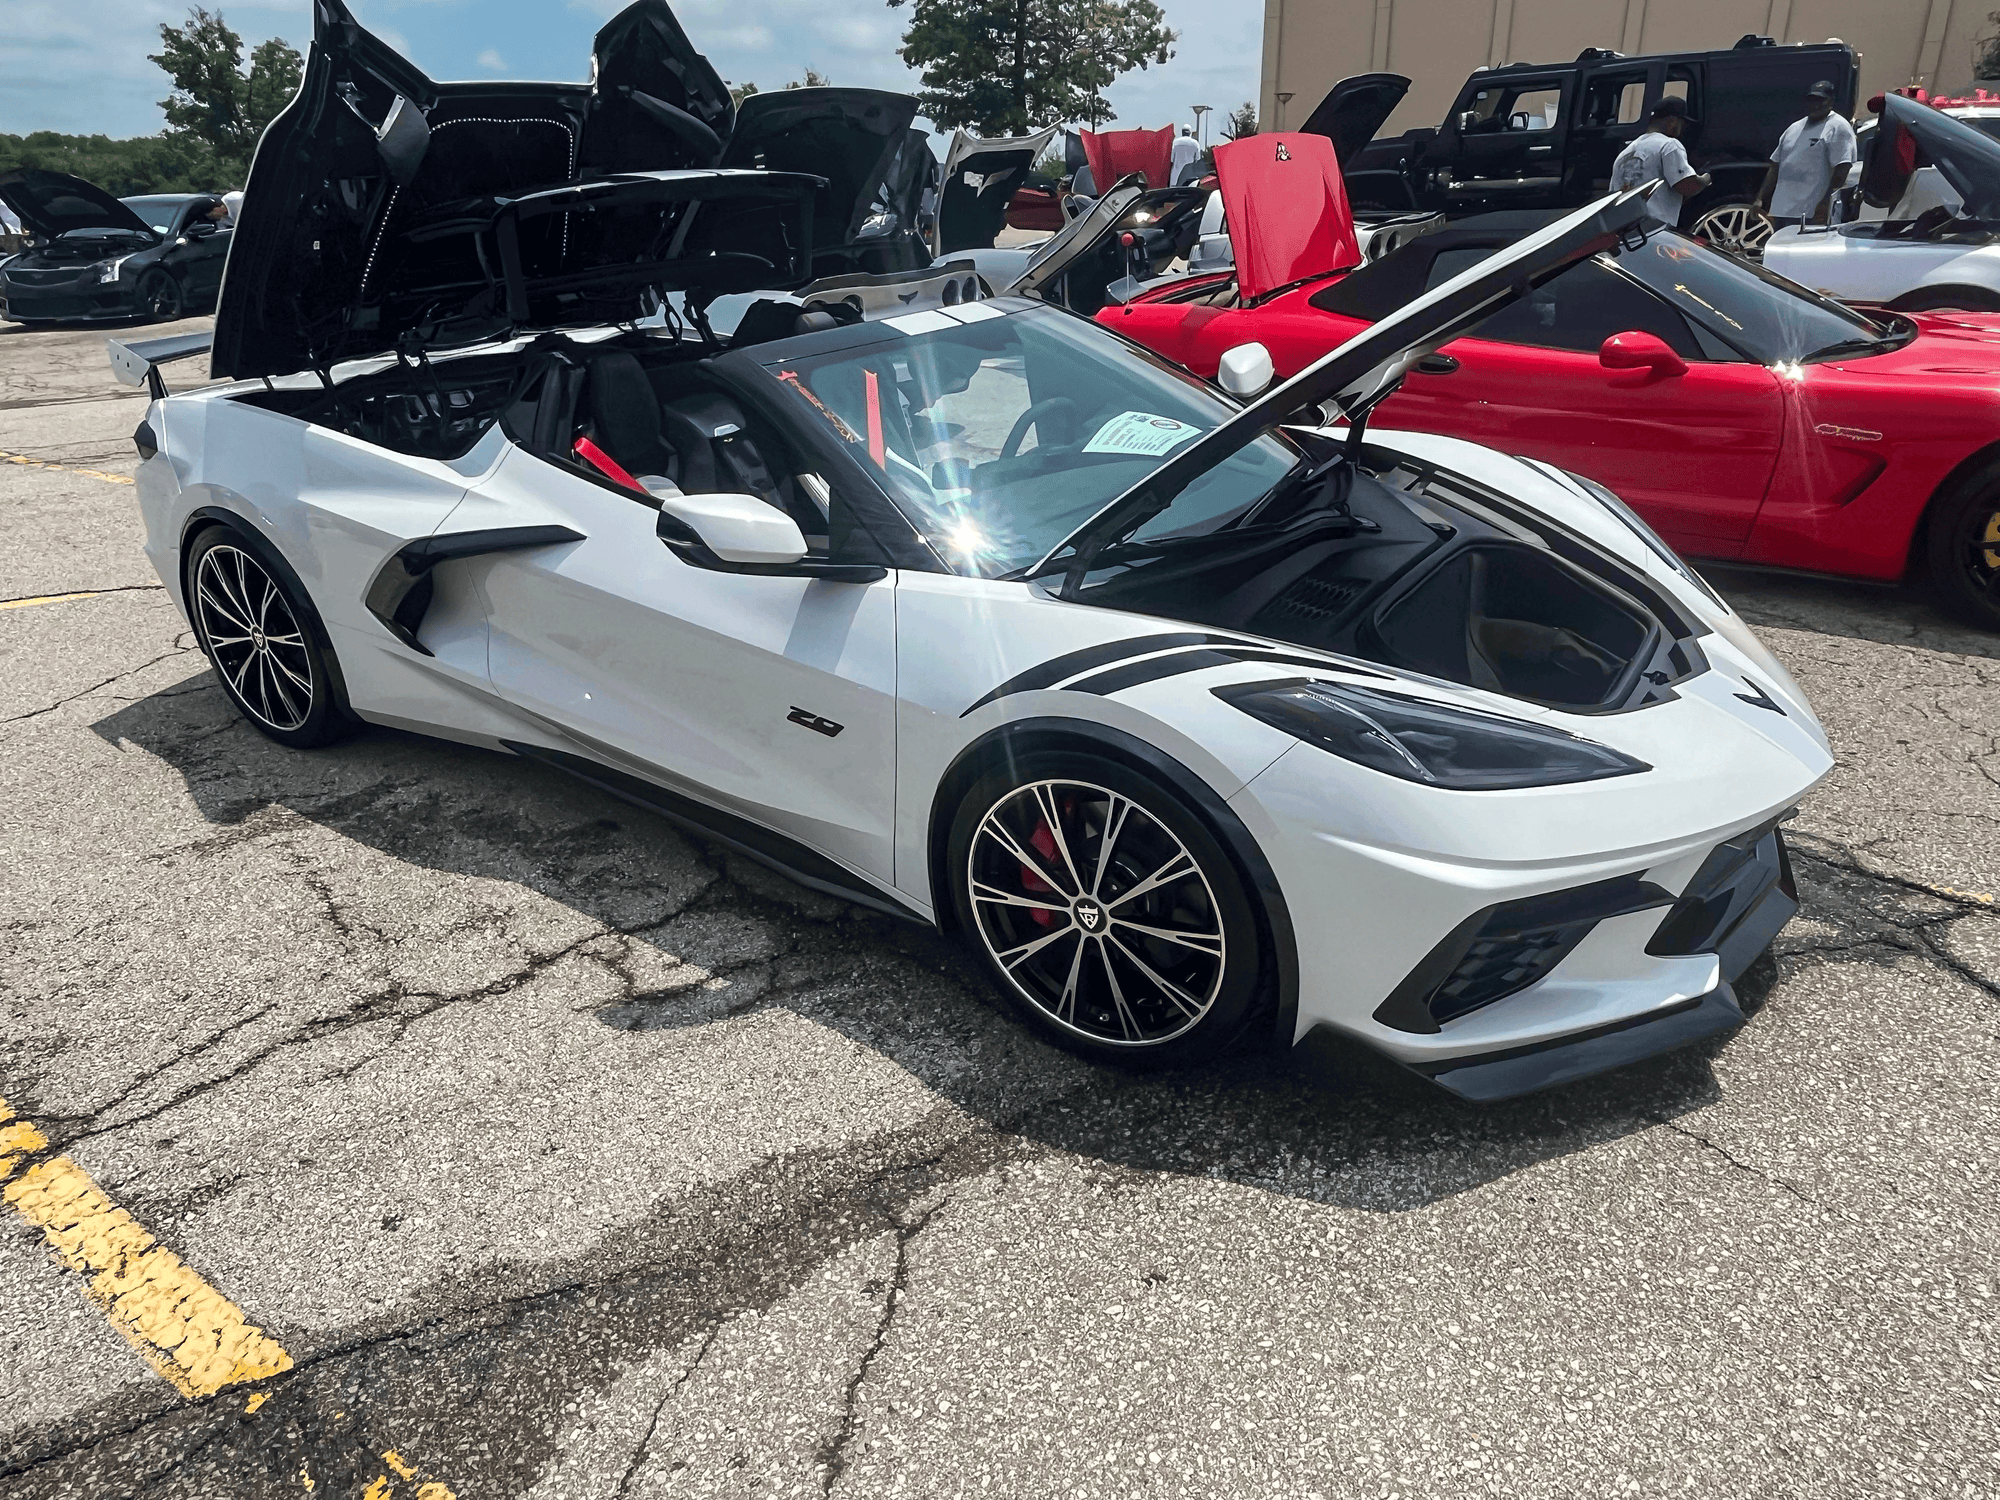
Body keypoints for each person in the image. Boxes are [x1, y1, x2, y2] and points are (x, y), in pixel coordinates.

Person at [1758, 81, 1858, 228]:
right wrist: (1761, 199)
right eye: (1812, 100)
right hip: (1782, 211)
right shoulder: (1794, 128)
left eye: (1821, 100)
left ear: (1831, 102)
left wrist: (1825, 204)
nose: (1815, 104)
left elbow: (1842, 169)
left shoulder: (1838, 127)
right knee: (1782, 251)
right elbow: (1775, 167)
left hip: (1813, 213)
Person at [1609, 96, 1710, 228]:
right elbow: (1687, 185)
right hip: (1651, 231)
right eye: (1682, 123)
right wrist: (1706, 179)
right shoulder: (1669, 145)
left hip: (1622, 230)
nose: (1682, 128)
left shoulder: (1626, 153)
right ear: (1673, 121)